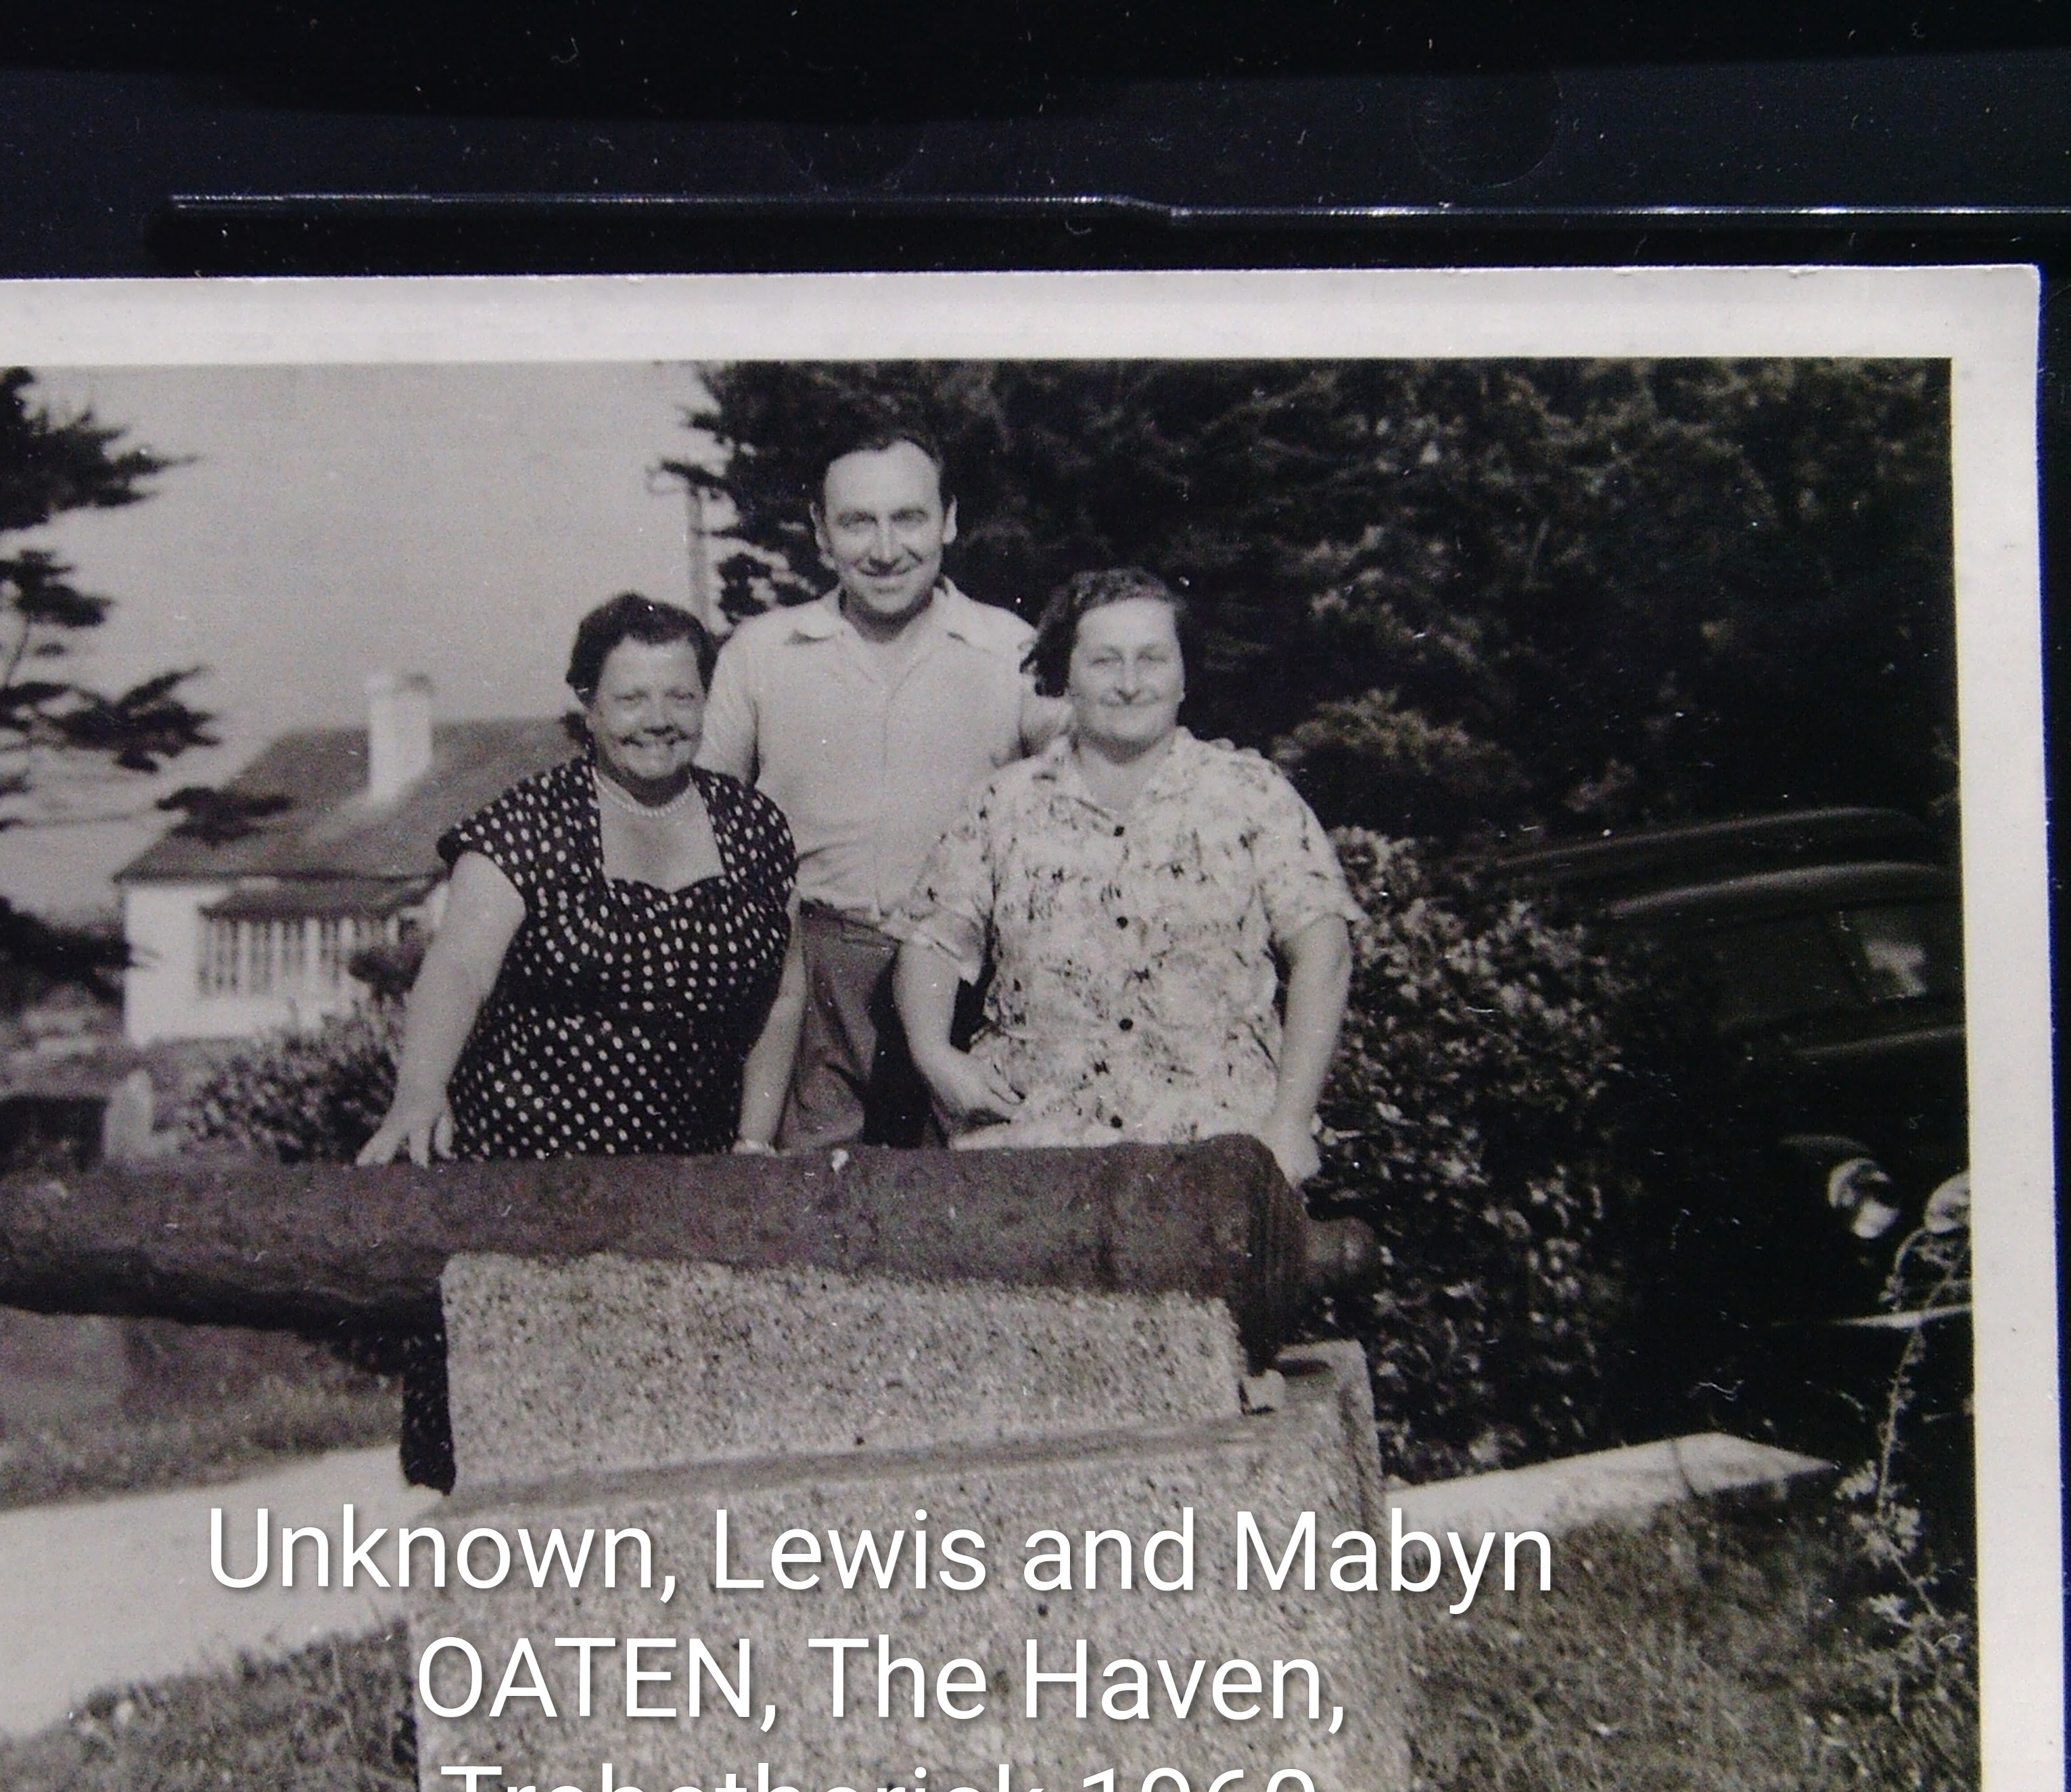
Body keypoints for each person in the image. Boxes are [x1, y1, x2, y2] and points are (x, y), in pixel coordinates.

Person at [359, 592, 806, 1487]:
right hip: (532, 1179)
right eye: (631, 697)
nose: (658, 719)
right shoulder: (526, 824)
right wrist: (418, 1093)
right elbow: (458, 968)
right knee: (519, 1453)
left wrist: (755, 1140)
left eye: (681, 696)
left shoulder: (753, 827)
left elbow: (783, 992)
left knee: (675, 1445)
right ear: (587, 706)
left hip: (686, 1182)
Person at [891, 567, 1356, 1187]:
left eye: (1153, 659)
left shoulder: (1253, 795)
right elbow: (931, 942)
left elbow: (1324, 952)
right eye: (1105, 661)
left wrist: (1291, 1123)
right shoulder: (1002, 804)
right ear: (1065, 675)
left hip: (1215, 1155)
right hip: (1035, 1149)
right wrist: (934, 1055)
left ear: (1184, 674)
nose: (1131, 683)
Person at [695, 426, 1062, 1151]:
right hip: (809, 986)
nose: (886, 549)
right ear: (820, 532)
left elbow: (1087, 773)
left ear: (948, 520)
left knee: (972, 1196)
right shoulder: (761, 654)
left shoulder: (1011, 651)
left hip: (968, 983)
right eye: (858, 521)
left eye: (909, 518)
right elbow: (702, 816)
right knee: (809, 1199)